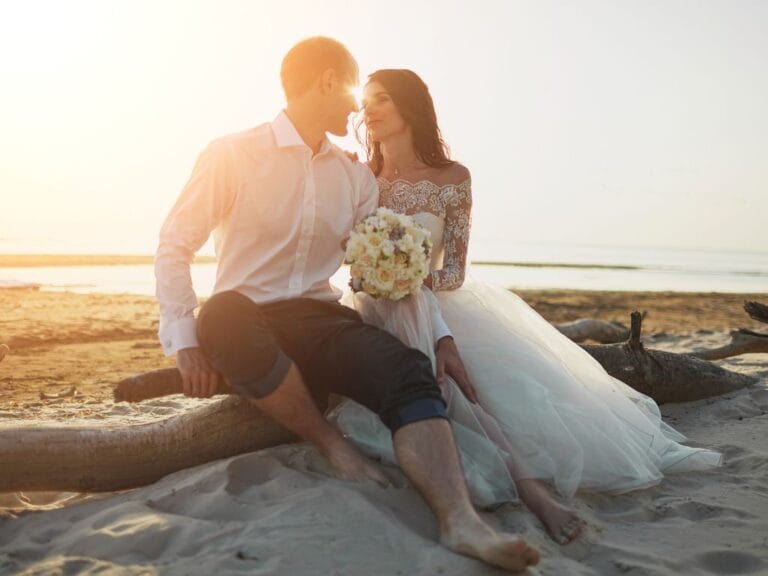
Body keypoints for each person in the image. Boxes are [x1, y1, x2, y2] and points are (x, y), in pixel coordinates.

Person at [154, 38, 540, 573]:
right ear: (327, 81)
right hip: (242, 313)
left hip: (318, 317)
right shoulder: (232, 153)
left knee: (406, 368)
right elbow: (175, 243)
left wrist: (441, 334)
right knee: (221, 313)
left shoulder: (356, 176)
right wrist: (184, 341)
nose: (357, 107)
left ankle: (461, 522)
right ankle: (332, 444)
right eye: (354, 89)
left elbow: (384, 267)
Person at [331, 68, 723, 544]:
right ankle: (520, 485)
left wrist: (405, 277)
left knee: (472, 389)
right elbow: (342, 251)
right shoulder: (360, 178)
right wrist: (375, 277)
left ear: (410, 107)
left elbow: (453, 270)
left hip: (438, 305)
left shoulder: (453, 179)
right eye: (365, 99)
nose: (368, 109)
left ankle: (530, 486)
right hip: (373, 311)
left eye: (382, 99)